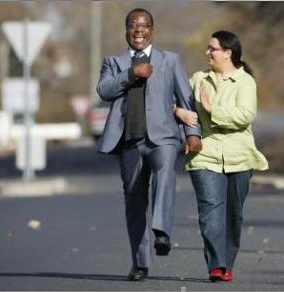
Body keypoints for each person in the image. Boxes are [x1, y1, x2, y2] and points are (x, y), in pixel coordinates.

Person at [96, 8, 202, 281]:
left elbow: (186, 100)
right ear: (126, 31)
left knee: (165, 174)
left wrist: (193, 132)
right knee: (134, 202)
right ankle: (140, 263)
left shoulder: (170, 60)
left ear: (152, 31)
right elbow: (104, 91)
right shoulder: (114, 62)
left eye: (143, 26)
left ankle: (162, 232)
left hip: (163, 138)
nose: (138, 30)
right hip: (129, 142)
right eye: (133, 25)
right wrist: (131, 73)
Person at [185, 31, 269, 282]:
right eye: (208, 48)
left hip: (240, 156)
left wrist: (212, 110)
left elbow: (245, 115)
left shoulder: (246, 83)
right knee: (210, 209)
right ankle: (216, 265)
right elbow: (174, 101)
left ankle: (227, 262)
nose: (207, 52)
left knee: (234, 213)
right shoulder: (198, 79)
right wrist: (179, 111)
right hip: (205, 155)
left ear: (228, 53)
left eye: (213, 48)